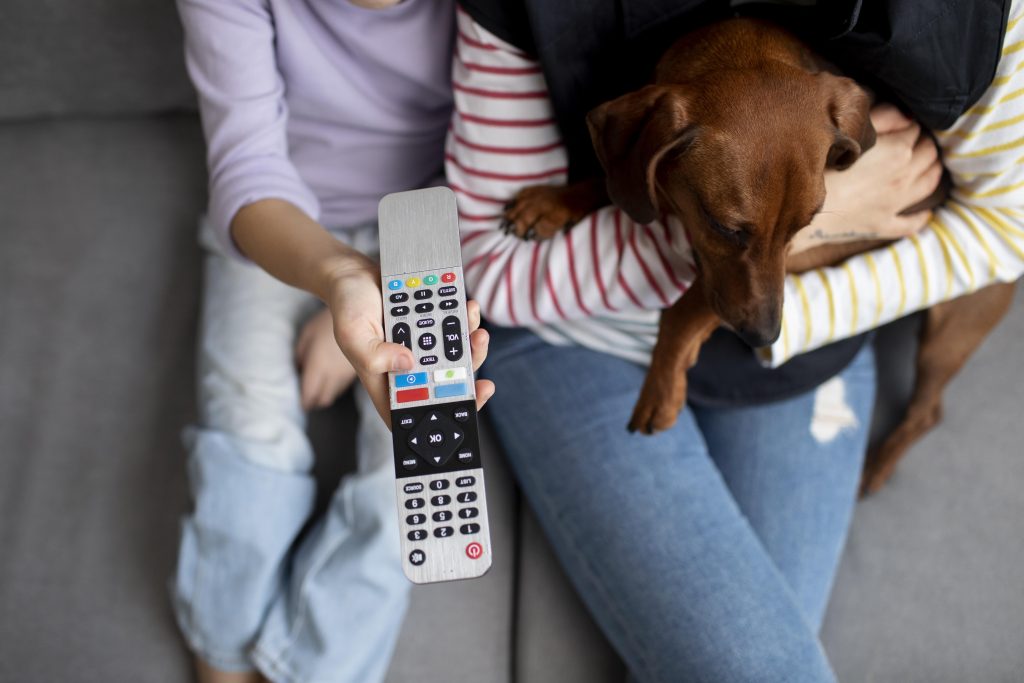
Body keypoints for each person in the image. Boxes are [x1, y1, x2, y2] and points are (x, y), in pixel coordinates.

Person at [446, 2, 1024, 681]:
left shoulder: (939, 37)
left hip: (803, 361)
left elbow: (1001, 228)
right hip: (568, 340)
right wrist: (828, 214)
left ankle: (908, 413)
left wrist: (807, 238)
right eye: (735, 230)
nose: (762, 307)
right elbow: (488, 262)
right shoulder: (539, 26)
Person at [170, 2, 493, 683]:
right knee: (250, 439)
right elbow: (247, 167)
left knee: (413, 486)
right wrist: (337, 279)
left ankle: (310, 670)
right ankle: (222, 651)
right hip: (277, 222)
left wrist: (375, 291)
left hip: (431, 227)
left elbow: (499, 163)